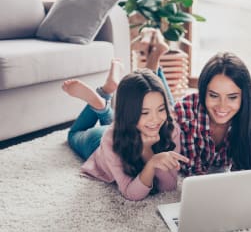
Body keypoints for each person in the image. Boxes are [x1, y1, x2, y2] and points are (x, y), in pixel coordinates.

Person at [135, 29, 251, 176]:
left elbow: (244, 166)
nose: (222, 106)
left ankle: (156, 54)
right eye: (214, 95)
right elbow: (193, 170)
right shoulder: (184, 113)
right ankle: (154, 57)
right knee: (151, 99)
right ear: (203, 92)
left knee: (167, 101)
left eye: (232, 97)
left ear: (244, 96)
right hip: (174, 116)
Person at [62, 58, 189, 201]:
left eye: (161, 109)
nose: (155, 119)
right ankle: (102, 99)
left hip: (126, 126)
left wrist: (150, 154)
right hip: (99, 143)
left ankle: (103, 105)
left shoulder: (171, 129)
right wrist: (150, 158)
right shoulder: (110, 139)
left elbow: (169, 186)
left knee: (128, 124)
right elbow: (131, 193)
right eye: (145, 112)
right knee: (73, 135)